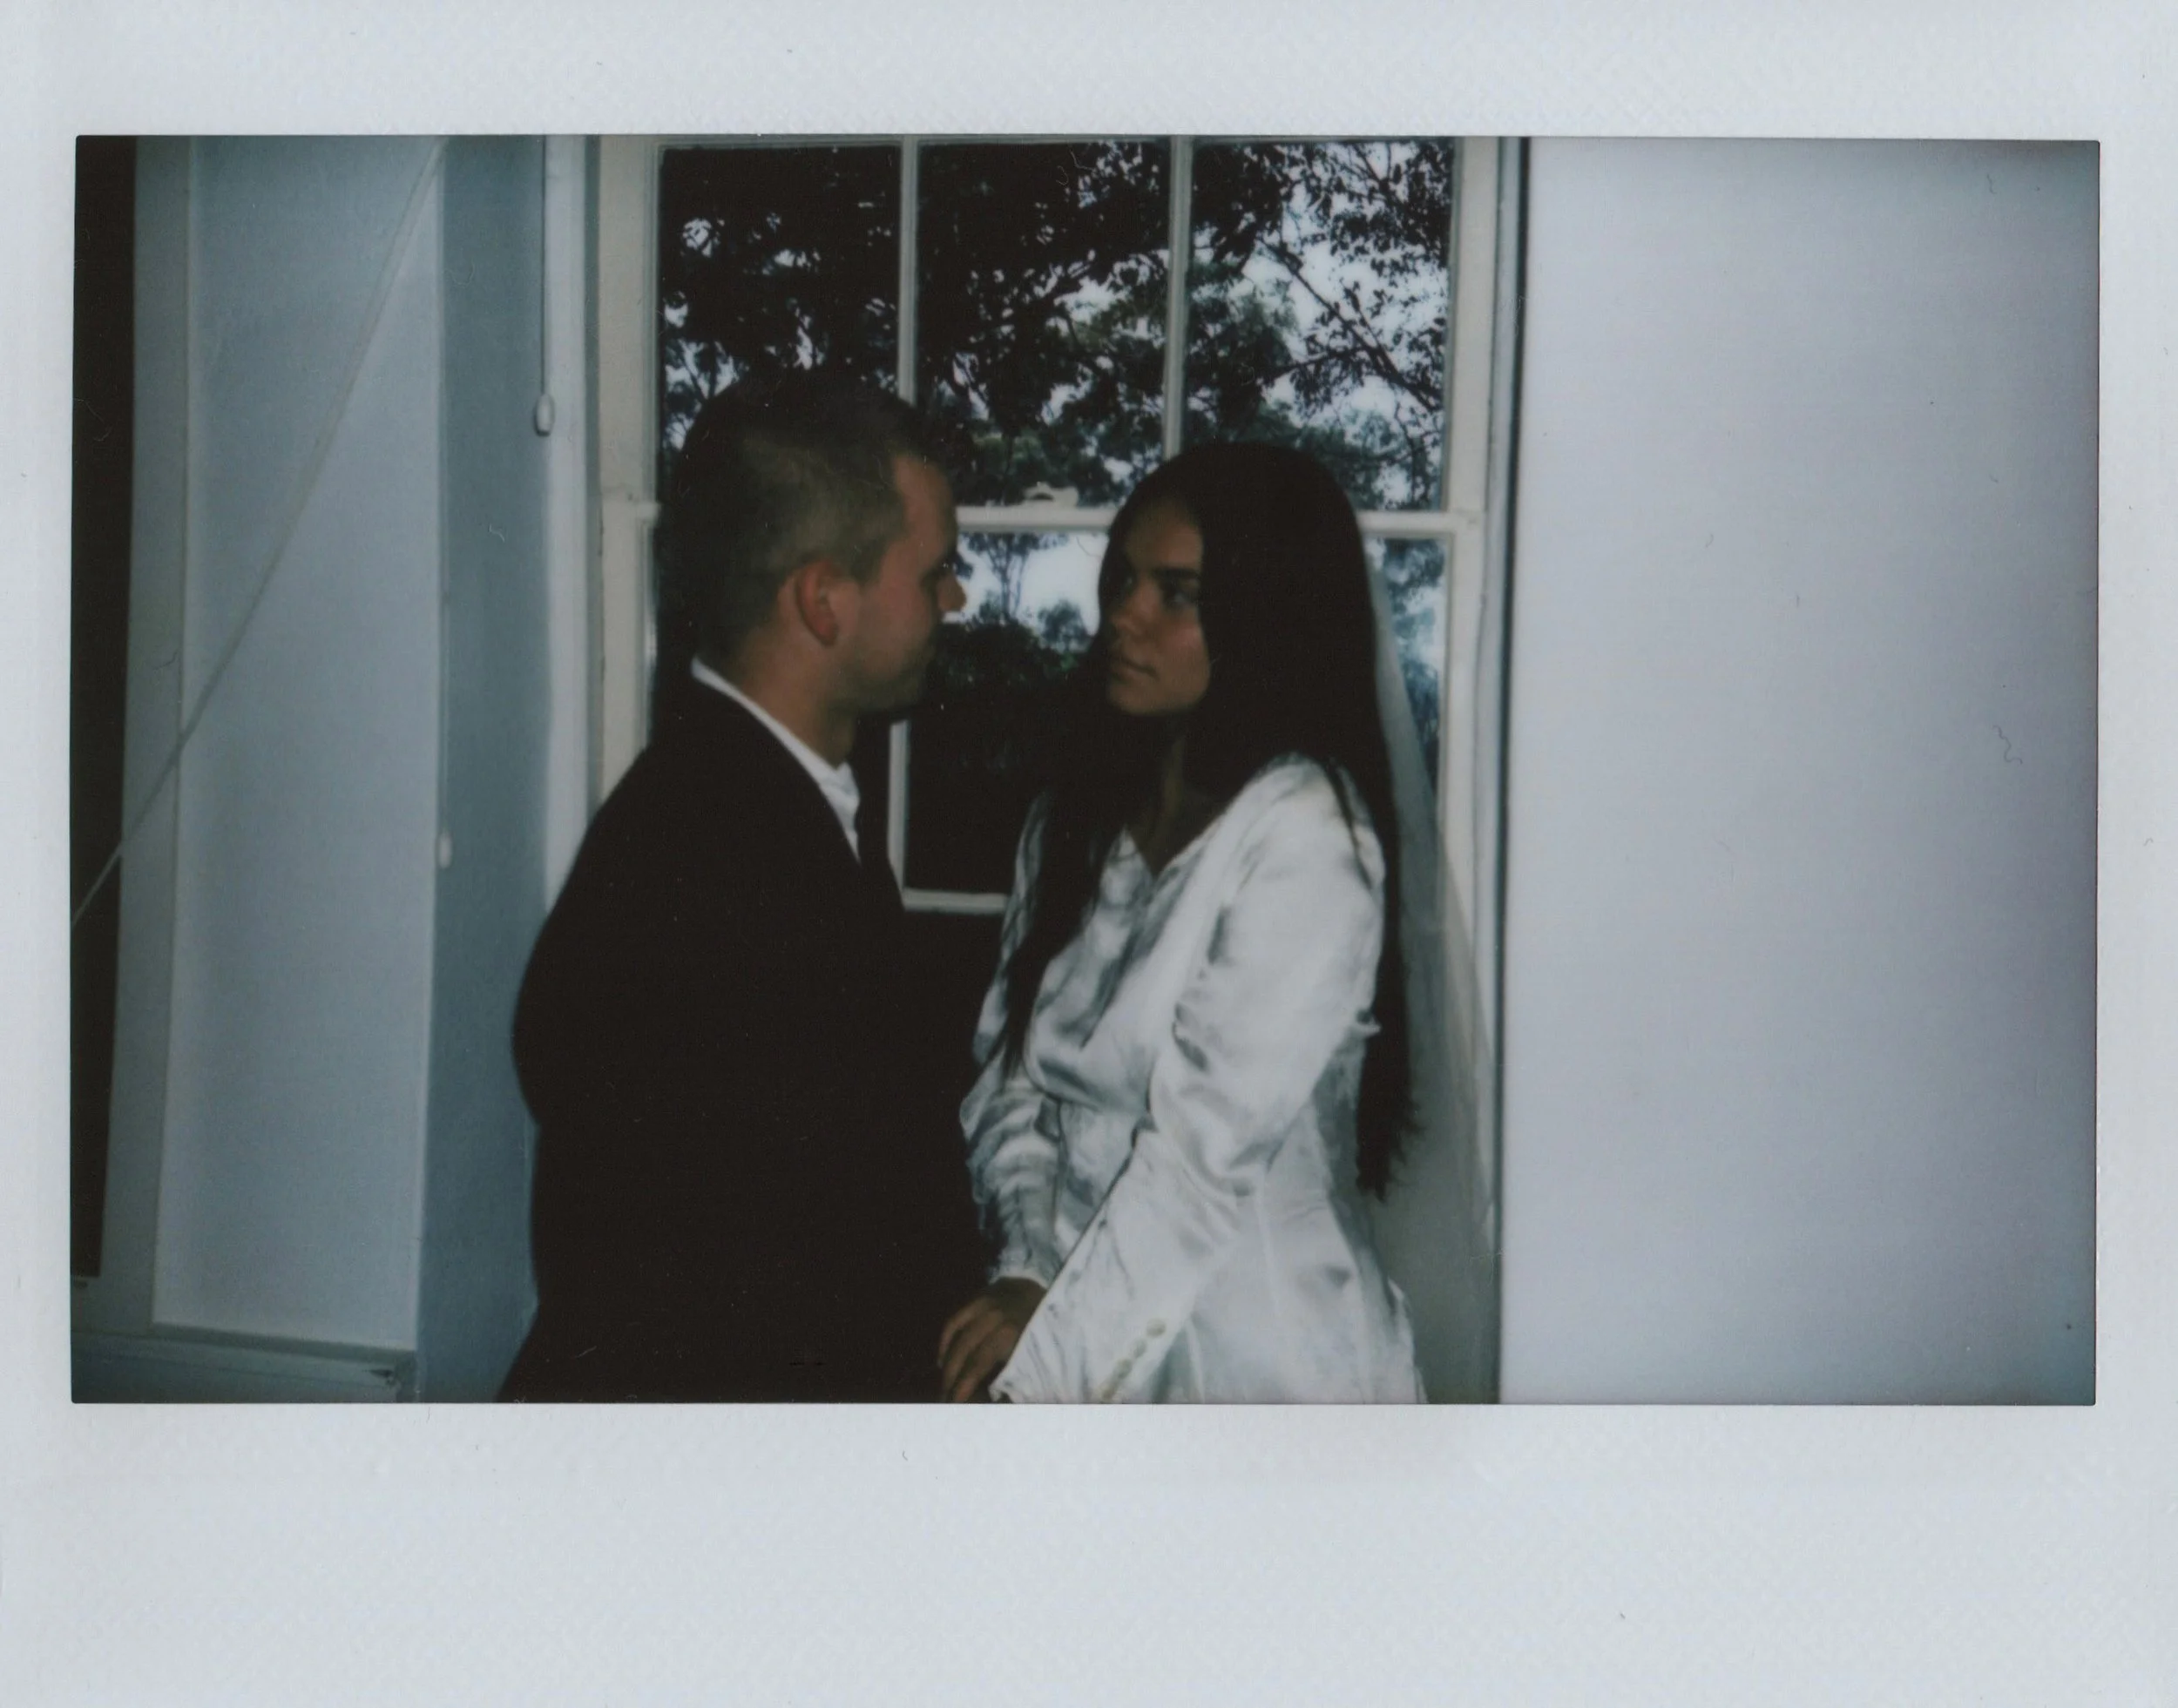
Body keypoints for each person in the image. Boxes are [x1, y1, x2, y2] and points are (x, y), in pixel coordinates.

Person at [938, 442, 1490, 1404]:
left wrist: (1034, 1385)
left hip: (1263, 1369)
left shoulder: (1305, 834)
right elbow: (1012, 1086)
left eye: (1175, 593)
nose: (1122, 615)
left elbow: (1199, 1164)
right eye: (1121, 578)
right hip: (1075, 1305)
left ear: (1265, 612)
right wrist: (1027, 1268)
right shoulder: (1069, 817)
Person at [501, 375, 985, 1402]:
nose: (956, 598)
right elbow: (774, 1300)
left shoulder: (747, 805)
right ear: (823, 599)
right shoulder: (712, 865)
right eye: (935, 569)